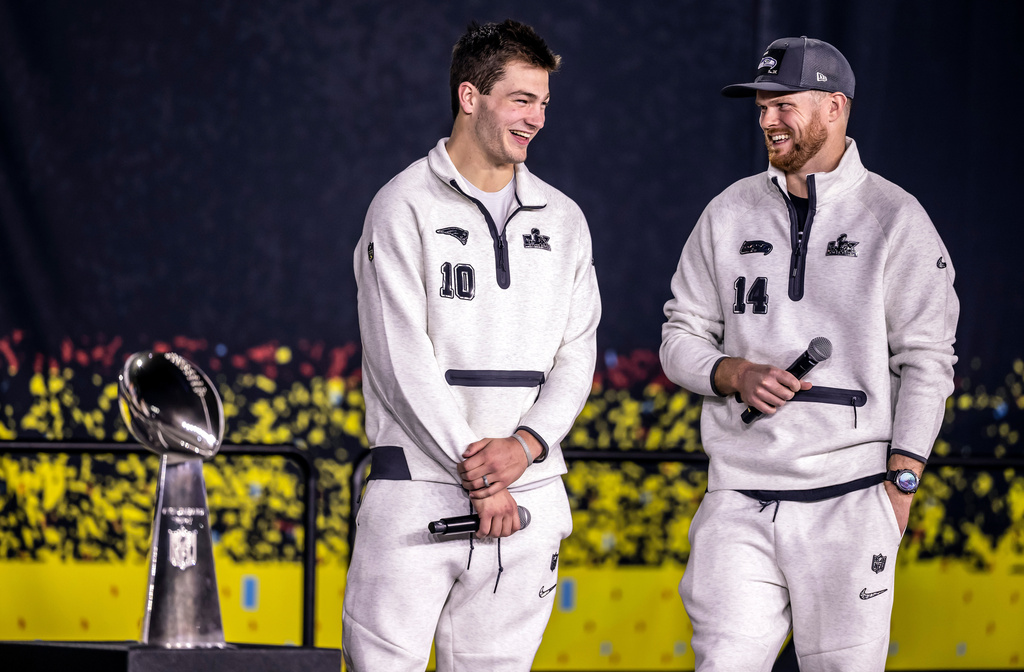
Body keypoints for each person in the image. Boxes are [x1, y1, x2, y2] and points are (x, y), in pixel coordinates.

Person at [660, 36, 958, 671]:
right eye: (762, 106)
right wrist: (729, 371)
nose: (768, 120)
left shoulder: (896, 218)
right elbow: (679, 335)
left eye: (784, 104)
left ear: (835, 106)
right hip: (737, 499)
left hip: (852, 502)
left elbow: (927, 361)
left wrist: (900, 485)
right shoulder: (727, 213)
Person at [343, 19, 601, 672]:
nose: (537, 118)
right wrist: (482, 474)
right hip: (415, 495)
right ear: (469, 97)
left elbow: (578, 354)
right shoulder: (400, 207)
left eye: (544, 102)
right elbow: (402, 365)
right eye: (521, 99)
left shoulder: (565, 220)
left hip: (531, 498)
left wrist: (527, 447)